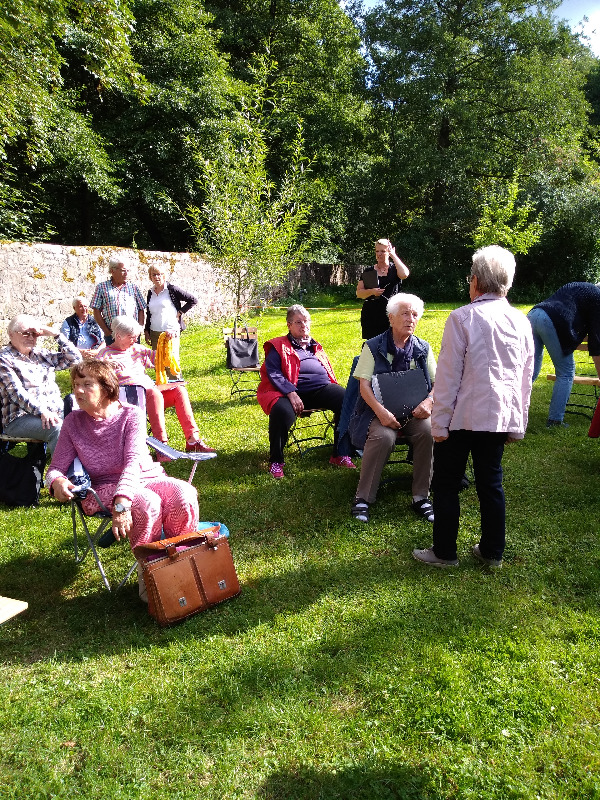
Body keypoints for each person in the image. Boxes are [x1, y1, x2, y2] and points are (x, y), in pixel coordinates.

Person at [413, 245, 534, 569]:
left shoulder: (462, 317)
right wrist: (518, 424)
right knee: (490, 483)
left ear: (476, 281)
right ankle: (493, 552)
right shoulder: (521, 321)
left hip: (461, 419)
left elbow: (448, 377)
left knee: (447, 483)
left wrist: (439, 424)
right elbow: (525, 378)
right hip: (498, 418)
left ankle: (444, 552)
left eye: (470, 278)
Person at [45, 360, 199, 600]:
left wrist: (122, 504)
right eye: (75, 385)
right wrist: (57, 482)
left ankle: (180, 562)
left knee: (185, 493)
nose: (78, 391)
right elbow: (55, 468)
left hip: (145, 476)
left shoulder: (131, 415)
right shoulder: (73, 423)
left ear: (106, 388)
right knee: (147, 502)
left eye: (87, 384)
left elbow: (132, 462)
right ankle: (151, 575)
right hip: (104, 486)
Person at [349, 293, 436, 523]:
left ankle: (421, 497)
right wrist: (381, 412)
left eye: (415, 315)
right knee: (384, 436)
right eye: (405, 313)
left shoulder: (423, 348)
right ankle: (363, 498)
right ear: (391, 318)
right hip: (378, 411)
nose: (411, 319)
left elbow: (438, 383)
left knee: (428, 431)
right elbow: (364, 386)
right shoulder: (373, 346)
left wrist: (429, 402)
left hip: (414, 411)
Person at [256, 304, 356, 478]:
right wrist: (291, 392)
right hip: (287, 392)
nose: (304, 325)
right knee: (281, 411)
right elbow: (274, 373)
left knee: (347, 400)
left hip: (320, 390)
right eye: (298, 322)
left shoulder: (313, 345)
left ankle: (340, 453)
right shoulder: (278, 345)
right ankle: (276, 461)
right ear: (289, 325)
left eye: (306, 321)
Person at [95, 316, 214, 455]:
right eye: (131, 337)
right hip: (128, 399)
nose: (135, 340)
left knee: (179, 391)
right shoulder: (105, 354)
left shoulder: (137, 349)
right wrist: (105, 366)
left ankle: (193, 440)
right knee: (154, 392)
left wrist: (167, 340)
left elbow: (162, 359)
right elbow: (94, 377)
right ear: (118, 336)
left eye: (136, 337)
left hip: (150, 394)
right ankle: (161, 447)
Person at [0, 314, 81, 454]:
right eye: (26, 333)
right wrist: (42, 411)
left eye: (34, 334)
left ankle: (93, 466)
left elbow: (75, 359)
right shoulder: (4, 359)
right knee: (56, 428)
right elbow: (16, 393)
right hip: (20, 417)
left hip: (55, 412)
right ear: (11, 334)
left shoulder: (41, 354)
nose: (31, 337)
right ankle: (65, 468)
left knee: (85, 422)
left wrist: (56, 335)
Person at [527, 282, 600, 427]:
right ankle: (555, 421)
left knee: (530, 371)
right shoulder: (597, 299)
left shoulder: (583, 288)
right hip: (551, 322)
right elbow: (596, 344)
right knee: (566, 372)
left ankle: (509, 412)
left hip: (534, 315)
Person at [144, 266, 197, 380]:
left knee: (171, 362)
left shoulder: (172, 290)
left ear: (164, 275)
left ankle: (177, 387)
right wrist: (146, 330)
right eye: (154, 274)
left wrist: (180, 312)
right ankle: (163, 387)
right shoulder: (150, 292)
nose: (157, 277)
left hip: (170, 331)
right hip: (154, 332)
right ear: (150, 277)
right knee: (159, 363)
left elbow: (193, 300)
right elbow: (149, 313)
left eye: (159, 274)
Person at [356, 239, 410, 340]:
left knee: (392, 341)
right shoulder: (369, 271)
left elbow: (405, 274)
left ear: (388, 252)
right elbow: (359, 293)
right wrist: (372, 291)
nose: (379, 254)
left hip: (391, 313)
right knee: (373, 344)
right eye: (377, 251)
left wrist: (393, 255)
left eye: (383, 251)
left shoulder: (395, 269)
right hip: (372, 314)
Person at [90, 257, 146, 344]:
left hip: (132, 334)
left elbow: (141, 308)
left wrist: (139, 328)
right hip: (113, 335)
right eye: (123, 270)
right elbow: (96, 310)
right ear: (112, 271)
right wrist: (106, 331)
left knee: (134, 353)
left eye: (127, 270)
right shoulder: (101, 287)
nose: (126, 273)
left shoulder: (133, 287)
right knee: (113, 353)